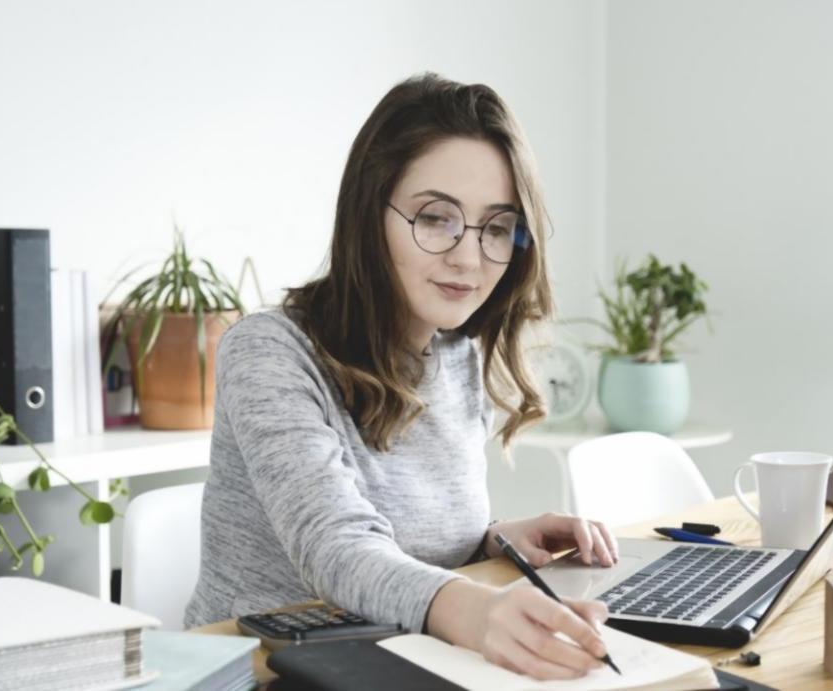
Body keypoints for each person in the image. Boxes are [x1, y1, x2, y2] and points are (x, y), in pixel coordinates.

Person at [185, 72, 619, 680]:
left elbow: (403, 551)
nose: (469, 257)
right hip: (261, 675)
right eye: (435, 218)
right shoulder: (268, 353)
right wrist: (482, 612)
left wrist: (490, 542)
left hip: (402, 662)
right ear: (370, 214)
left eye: (496, 227)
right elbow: (339, 551)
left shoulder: (458, 354)